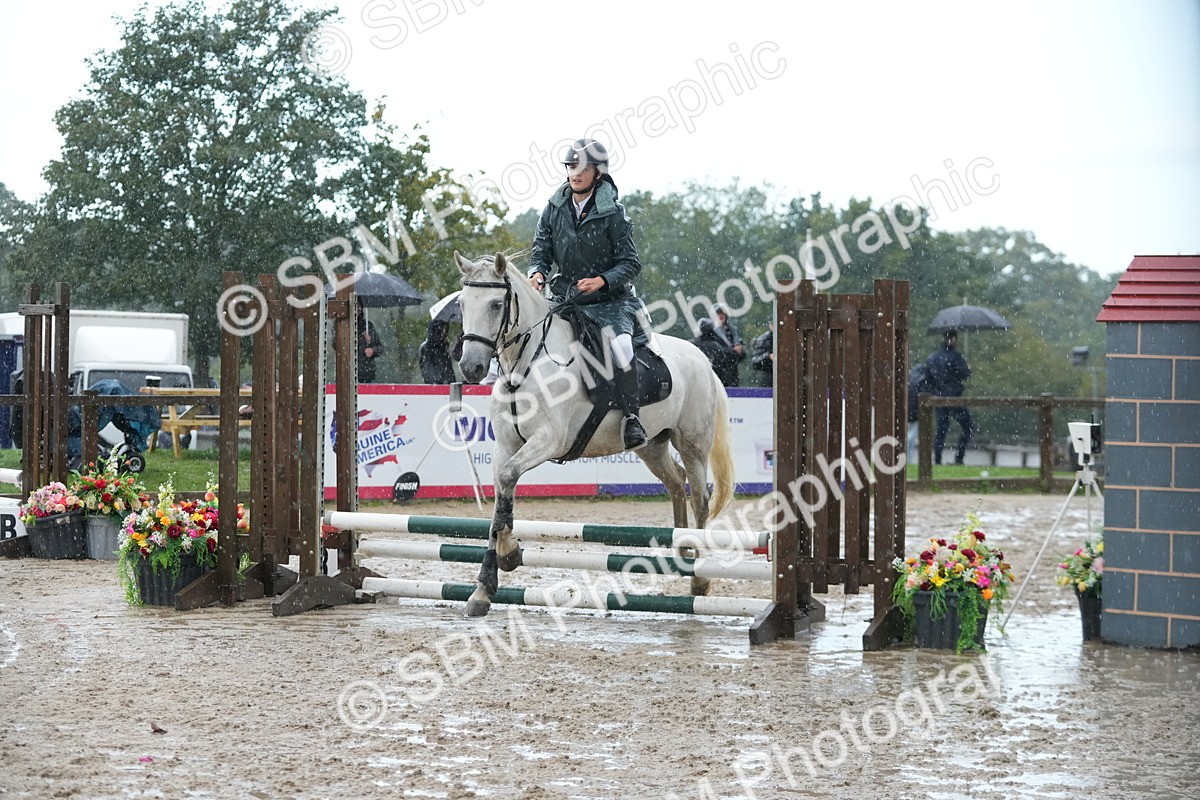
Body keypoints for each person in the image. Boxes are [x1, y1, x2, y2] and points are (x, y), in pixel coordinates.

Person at [527, 138, 649, 450]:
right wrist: (537, 272)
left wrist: (601, 281)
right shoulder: (553, 209)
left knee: (622, 347)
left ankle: (632, 419)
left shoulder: (614, 213)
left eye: (582, 167)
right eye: (571, 166)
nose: (575, 173)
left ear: (597, 173)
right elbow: (541, 250)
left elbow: (630, 263)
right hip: (567, 297)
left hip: (611, 302)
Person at [925, 329, 974, 465]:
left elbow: (928, 379)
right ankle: (959, 458)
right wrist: (968, 368)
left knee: (941, 429)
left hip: (938, 398)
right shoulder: (955, 357)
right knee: (968, 427)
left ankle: (938, 460)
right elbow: (965, 374)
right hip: (954, 398)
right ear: (952, 339)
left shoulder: (932, 358)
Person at [691, 318, 740, 388]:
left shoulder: (692, 344)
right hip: (715, 383)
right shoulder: (716, 346)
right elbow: (722, 367)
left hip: (696, 383)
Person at [711, 304, 746, 386]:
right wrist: (732, 350)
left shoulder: (732, 331)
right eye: (718, 314)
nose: (720, 316)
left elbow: (742, 355)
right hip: (717, 372)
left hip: (732, 372)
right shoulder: (711, 332)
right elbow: (714, 351)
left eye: (722, 314)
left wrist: (740, 350)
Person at [418, 319, 455, 384]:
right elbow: (429, 373)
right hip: (437, 389)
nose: (445, 333)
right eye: (443, 330)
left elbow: (449, 374)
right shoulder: (428, 348)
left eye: (446, 330)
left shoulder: (442, 349)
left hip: (440, 388)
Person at [356, 299, 385, 383]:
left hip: (365, 373)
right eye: (355, 306)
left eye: (359, 306)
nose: (357, 309)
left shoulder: (368, 326)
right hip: (346, 372)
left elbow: (380, 347)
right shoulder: (342, 324)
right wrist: (361, 338)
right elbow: (336, 345)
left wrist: (373, 351)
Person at [749, 321, 774, 388]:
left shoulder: (787, 337)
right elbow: (755, 362)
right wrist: (768, 356)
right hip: (767, 380)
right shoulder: (763, 339)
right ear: (770, 325)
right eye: (773, 323)